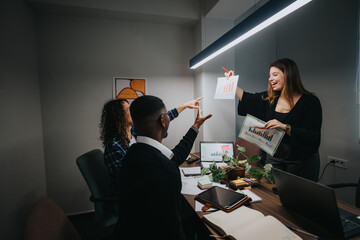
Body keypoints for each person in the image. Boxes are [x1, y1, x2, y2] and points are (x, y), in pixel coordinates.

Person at [115, 95, 212, 240]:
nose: (168, 118)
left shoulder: (134, 152)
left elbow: (175, 157)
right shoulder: (163, 169)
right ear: (162, 120)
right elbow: (172, 230)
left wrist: (196, 125)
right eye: (166, 115)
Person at [230, 58, 322, 181]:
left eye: (275, 74)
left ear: (288, 75)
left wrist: (285, 127)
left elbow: (313, 135)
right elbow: (247, 99)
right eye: (269, 76)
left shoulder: (310, 102)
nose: (270, 79)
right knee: (272, 196)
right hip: (275, 159)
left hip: (301, 161)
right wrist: (231, 82)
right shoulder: (269, 99)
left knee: (298, 198)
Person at [99, 97, 204, 188]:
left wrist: (185, 106)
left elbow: (161, 118)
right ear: (118, 117)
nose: (132, 110)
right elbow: (125, 181)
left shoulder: (134, 133)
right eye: (128, 109)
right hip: (130, 202)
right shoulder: (114, 145)